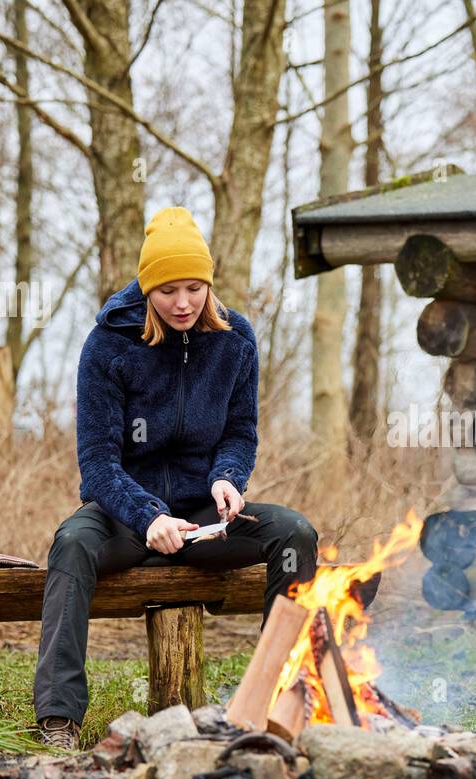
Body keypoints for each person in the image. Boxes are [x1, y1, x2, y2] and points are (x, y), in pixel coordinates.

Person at [33, 207, 318, 750]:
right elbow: (96, 464)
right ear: (146, 290)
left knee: (295, 533)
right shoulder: (108, 346)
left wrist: (228, 478)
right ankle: (58, 719)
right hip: (124, 515)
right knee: (71, 544)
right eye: (167, 291)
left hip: (205, 520)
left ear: (209, 284)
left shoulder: (236, 340)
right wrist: (149, 517)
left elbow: (239, 431)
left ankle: (275, 700)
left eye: (194, 287)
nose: (183, 303)